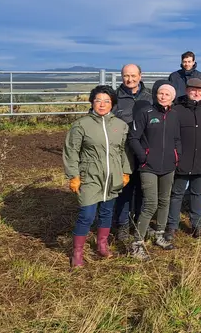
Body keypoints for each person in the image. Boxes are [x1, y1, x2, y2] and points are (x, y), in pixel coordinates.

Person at [63, 85, 131, 268]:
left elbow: (124, 151)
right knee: (87, 215)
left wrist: (125, 172)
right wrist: (73, 175)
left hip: (112, 176)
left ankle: (102, 244)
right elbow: (71, 151)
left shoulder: (120, 125)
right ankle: (77, 253)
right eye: (98, 100)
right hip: (90, 176)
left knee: (107, 211)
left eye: (107, 101)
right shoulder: (81, 125)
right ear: (92, 102)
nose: (102, 104)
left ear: (112, 104)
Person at [127, 81, 180, 260]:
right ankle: (136, 243)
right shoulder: (146, 113)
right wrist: (144, 157)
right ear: (156, 95)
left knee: (165, 201)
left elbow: (177, 139)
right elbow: (133, 138)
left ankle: (159, 235)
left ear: (172, 98)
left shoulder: (174, 116)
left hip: (168, 166)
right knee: (150, 203)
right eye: (161, 93)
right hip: (148, 166)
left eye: (167, 94)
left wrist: (176, 156)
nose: (163, 96)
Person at [165, 78, 201, 239]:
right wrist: (175, 157)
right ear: (187, 90)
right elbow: (170, 136)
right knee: (176, 194)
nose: (196, 93)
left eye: (199, 90)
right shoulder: (177, 111)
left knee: (197, 193)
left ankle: (197, 226)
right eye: (193, 90)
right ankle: (172, 226)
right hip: (181, 162)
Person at [112, 63, 152, 242]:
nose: (130, 79)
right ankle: (122, 224)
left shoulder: (150, 97)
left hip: (146, 150)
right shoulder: (114, 98)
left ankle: (140, 221)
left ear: (140, 76)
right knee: (125, 190)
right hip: (124, 153)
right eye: (126, 76)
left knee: (144, 188)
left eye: (133, 75)